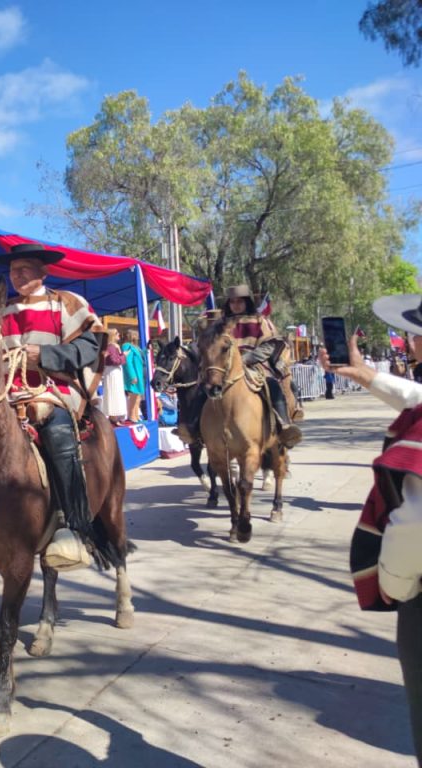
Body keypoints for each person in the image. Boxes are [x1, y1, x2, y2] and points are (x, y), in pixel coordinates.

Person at [323, 293, 422, 761]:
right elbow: (415, 395)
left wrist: (396, 583)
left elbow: (416, 521)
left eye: (415, 337)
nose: (411, 343)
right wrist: (362, 374)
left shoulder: (71, 304)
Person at [0, 242, 104, 571]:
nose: (18, 275)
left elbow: (89, 348)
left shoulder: (69, 303)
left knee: (57, 432)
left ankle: (75, 526)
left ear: (44, 271)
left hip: (52, 387)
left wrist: (43, 356)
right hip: (6, 391)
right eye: (14, 270)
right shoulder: (1, 309)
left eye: (25, 268)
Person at [177, 285, 302, 448]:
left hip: (254, 364)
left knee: (272, 385)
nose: (235, 305)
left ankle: (284, 426)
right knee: (202, 388)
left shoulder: (260, 320)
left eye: (240, 301)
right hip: (223, 366)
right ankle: (193, 427)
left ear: (246, 302)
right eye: (232, 302)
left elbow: (270, 345)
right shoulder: (220, 323)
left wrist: (246, 358)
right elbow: (208, 344)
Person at [98, 328, 127, 425]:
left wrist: (122, 354)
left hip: (114, 372)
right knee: (114, 393)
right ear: (113, 336)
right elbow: (114, 361)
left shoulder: (113, 346)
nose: (119, 334)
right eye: (117, 333)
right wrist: (124, 356)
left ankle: (114, 417)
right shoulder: (111, 347)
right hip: (112, 372)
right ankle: (113, 418)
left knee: (116, 393)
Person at [121, 329, 146, 423]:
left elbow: (140, 356)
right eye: (136, 335)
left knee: (138, 395)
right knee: (133, 395)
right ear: (132, 336)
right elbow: (127, 361)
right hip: (134, 373)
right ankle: (131, 415)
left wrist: (147, 350)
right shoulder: (126, 346)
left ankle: (136, 414)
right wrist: (132, 375)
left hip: (139, 372)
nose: (138, 337)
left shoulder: (136, 347)